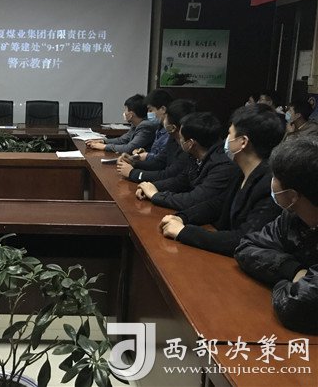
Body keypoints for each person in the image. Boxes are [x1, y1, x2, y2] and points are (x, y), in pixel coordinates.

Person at [160, 104, 284, 256]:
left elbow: (244, 239)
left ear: (243, 142)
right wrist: (182, 217)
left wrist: (184, 232)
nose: (226, 140)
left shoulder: (270, 185)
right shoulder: (240, 171)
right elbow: (218, 204)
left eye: (230, 134)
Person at [234, 137, 318, 334]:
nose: (271, 182)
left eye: (275, 177)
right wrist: (293, 271)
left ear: (293, 195)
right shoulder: (292, 218)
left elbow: (297, 306)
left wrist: (290, 283)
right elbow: (246, 246)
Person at [136, 112, 238, 210]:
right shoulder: (195, 156)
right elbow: (180, 181)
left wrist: (155, 195)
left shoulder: (222, 166)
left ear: (190, 143)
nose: (179, 141)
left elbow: (193, 199)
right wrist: (152, 186)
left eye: (181, 138)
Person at [117, 99, 195, 182]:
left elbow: (167, 175)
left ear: (173, 127)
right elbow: (159, 162)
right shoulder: (172, 139)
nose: (164, 120)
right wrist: (133, 162)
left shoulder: (187, 149)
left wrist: (132, 173)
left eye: (166, 116)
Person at [86, 94, 156, 154]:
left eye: (125, 109)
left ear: (131, 114)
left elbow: (129, 148)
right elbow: (122, 140)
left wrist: (104, 147)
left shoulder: (145, 126)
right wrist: (102, 141)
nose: (124, 112)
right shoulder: (136, 124)